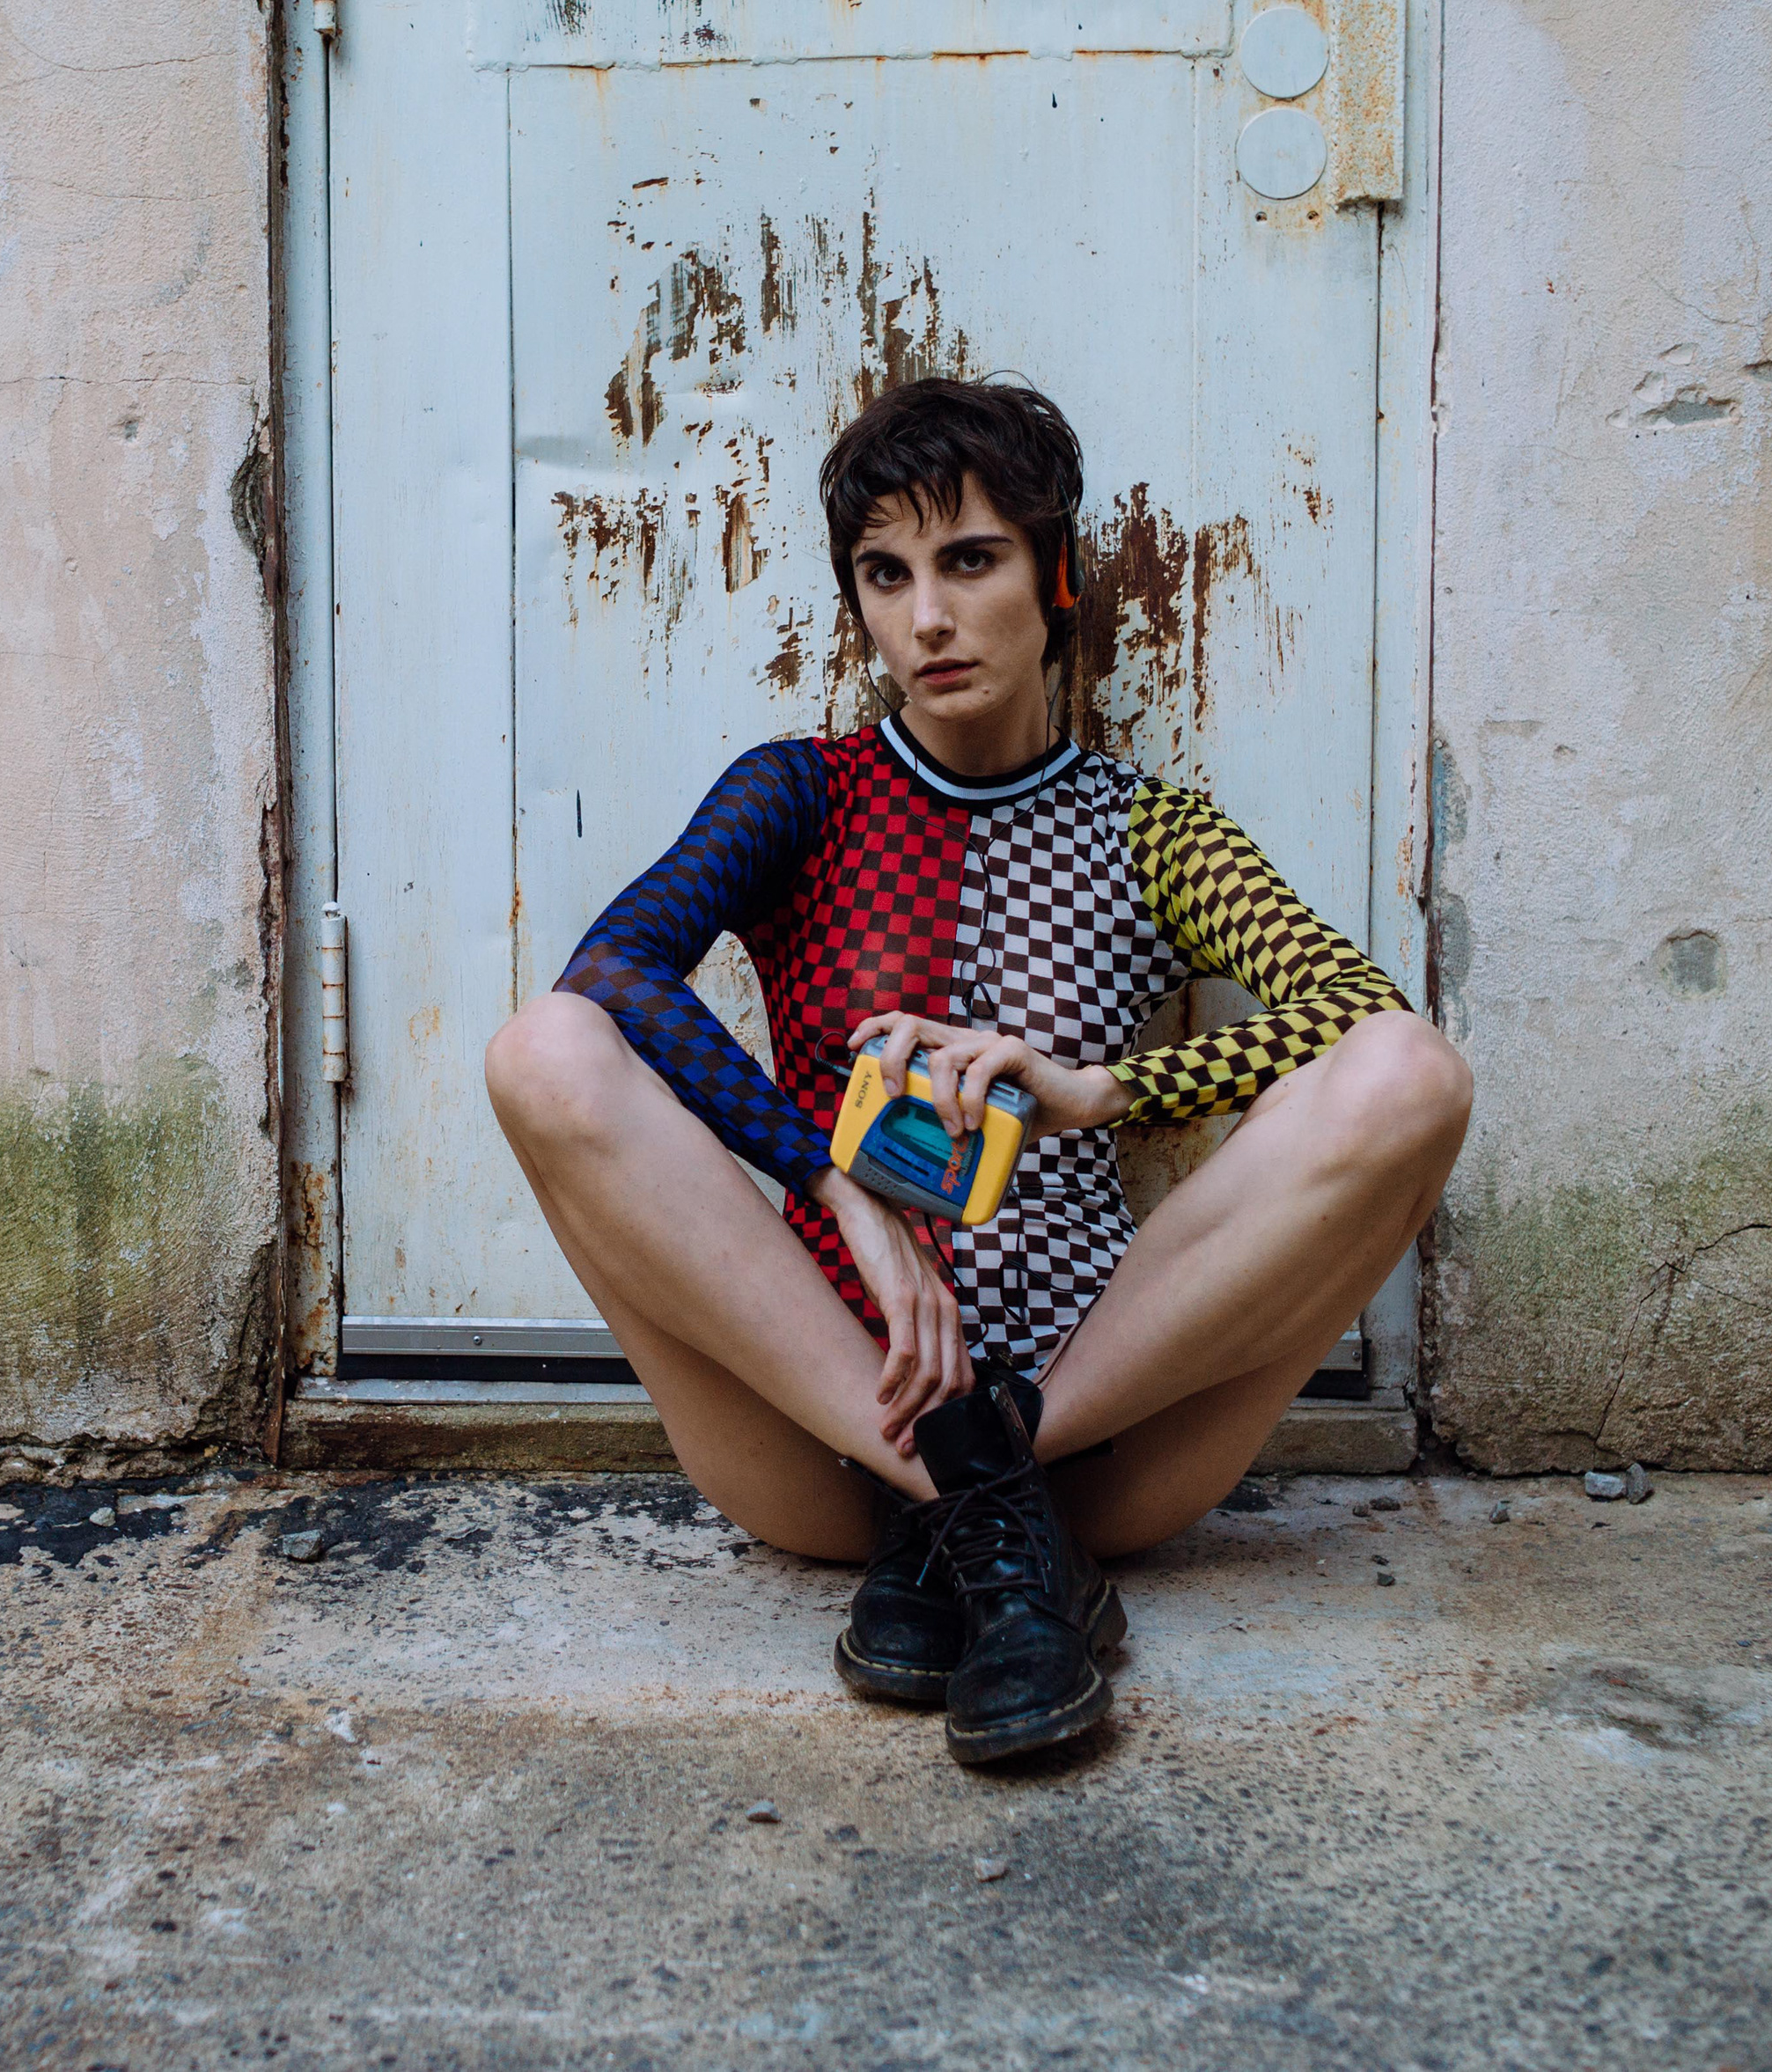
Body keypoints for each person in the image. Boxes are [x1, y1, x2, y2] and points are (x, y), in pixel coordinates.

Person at [484, 378, 1472, 1764]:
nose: (928, 618)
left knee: (1412, 1074)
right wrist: (833, 1184)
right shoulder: (801, 792)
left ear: (1054, 575)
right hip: (836, 1436)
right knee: (540, 1051)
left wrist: (1098, 1092)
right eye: (886, 575)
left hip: (1095, 1447)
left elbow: (1358, 1008)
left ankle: (996, 1486)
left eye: (969, 559)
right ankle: (964, 1502)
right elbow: (614, 974)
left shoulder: (1154, 830)